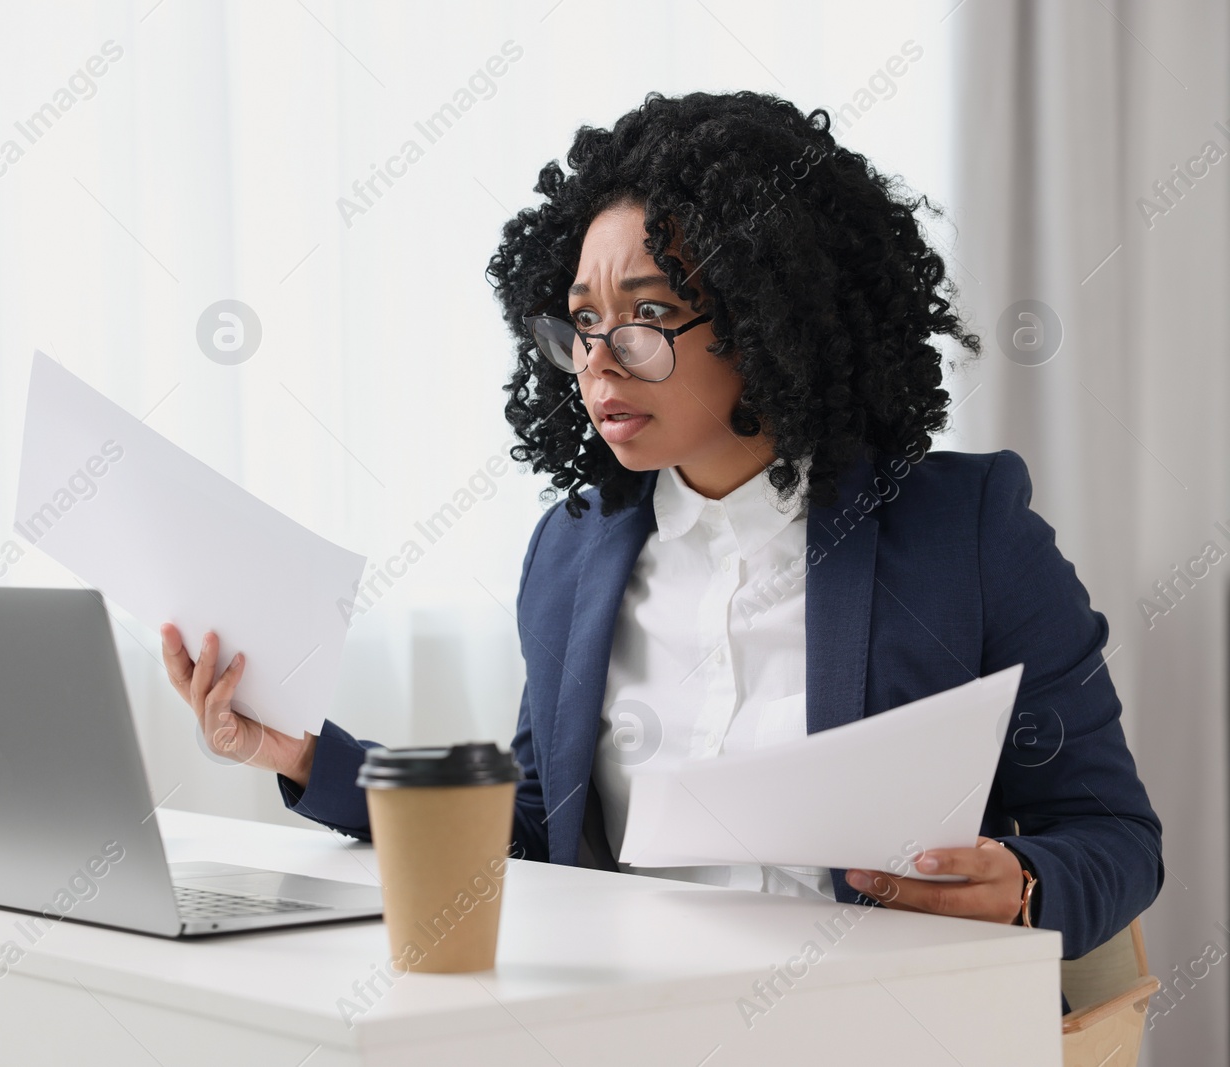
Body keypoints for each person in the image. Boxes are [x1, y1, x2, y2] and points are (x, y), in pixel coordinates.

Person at [160, 91, 1161, 962]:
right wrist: (299, 753)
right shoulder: (574, 549)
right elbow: (532, 830)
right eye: (579, 324)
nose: (598, 362)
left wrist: (1024, 882)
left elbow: (1114, 833)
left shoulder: (962, 531)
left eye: (642, 317)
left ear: (768, 314)